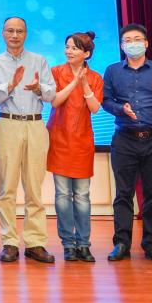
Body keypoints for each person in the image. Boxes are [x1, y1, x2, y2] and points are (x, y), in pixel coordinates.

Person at [102, 23, 152, 264]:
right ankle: (121, 244)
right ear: (121, 46)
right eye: (128, 40)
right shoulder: (112, 70)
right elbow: (106, 101)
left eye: (137, 39)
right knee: (123, 194)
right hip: (124, 138)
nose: (133, 44)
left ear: (146, 43)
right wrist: (120, 109)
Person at [0, 17, 57, 264]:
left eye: (19, 31)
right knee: (7, 188)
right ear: (3, 33)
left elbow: (51, 94)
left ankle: (35, 242)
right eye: (10, 31)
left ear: (26, 34)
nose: (15, 35)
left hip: (35, 124)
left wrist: (38, 88)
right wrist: (10, 85)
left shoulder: (39, 60)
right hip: (7, 123)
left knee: (34, 188)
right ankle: (9, 242)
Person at [47, 31, 103, 263]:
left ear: (86, 54)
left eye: (74, 48)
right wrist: (73, 82)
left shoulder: (96, 77)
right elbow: (55, 101)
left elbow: (95, 108)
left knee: (82, 196)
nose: (68, 51)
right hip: (59, 139)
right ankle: (68, 244)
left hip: (82, 142)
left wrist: (84, 84)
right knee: (62, 195)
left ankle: (84, 244)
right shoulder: (55, 72)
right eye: (67, 46)